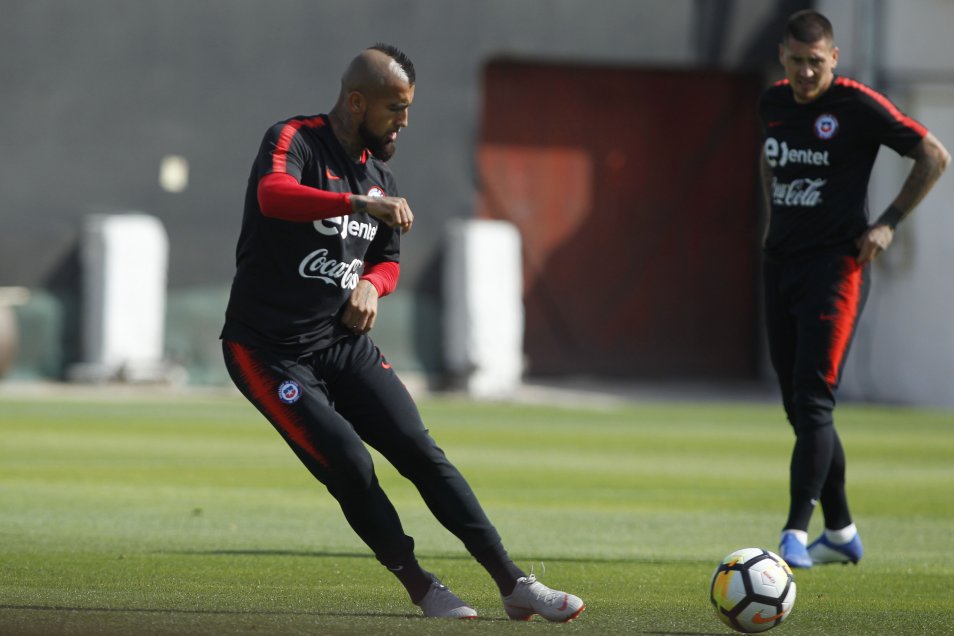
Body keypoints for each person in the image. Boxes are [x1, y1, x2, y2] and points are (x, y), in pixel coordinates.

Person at [219, 44, 585, 621]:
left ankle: (513, 583)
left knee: (419, 449)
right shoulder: (295, 139)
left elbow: (386, 260)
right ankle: (422, 586)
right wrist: (356, 203)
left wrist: (372, 286)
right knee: (349, 461)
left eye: (408, 107)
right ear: (356, 102)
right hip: (267, 350)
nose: (405, 121)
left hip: (340, 342)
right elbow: (273, 195)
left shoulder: (380, 176)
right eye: (395, 107)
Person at [759, 11, 949, 569]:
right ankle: (841, 531)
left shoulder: (856, 105)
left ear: (834, 58)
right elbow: (771, 164)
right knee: (798, 407)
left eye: (815, 62)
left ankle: (794, 532)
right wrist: (775, 219)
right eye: (796, 61)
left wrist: (887, 222)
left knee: (814, 400)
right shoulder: (772, 102)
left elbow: (934, 155)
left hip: (836, 269)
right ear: (782, 56)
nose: (805, 72)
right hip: (781, 264)